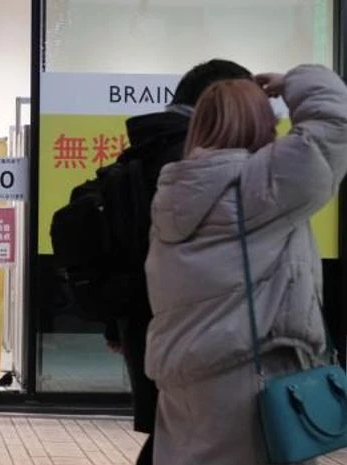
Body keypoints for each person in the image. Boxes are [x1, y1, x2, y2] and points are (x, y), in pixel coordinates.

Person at [144, 65, 347, 464]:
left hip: (183, 386)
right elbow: (336, 121)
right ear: (261, 124)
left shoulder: (174, 193)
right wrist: (291, 81)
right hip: (251, 382)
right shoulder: (260, 184)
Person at [101, 59, 253, 465]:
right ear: (217, 102)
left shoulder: (144, 148)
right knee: (185, 435)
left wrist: (113, 323)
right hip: (187, 325)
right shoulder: (190, 158)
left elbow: (122, 240)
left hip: (147, 320)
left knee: (173, 435)